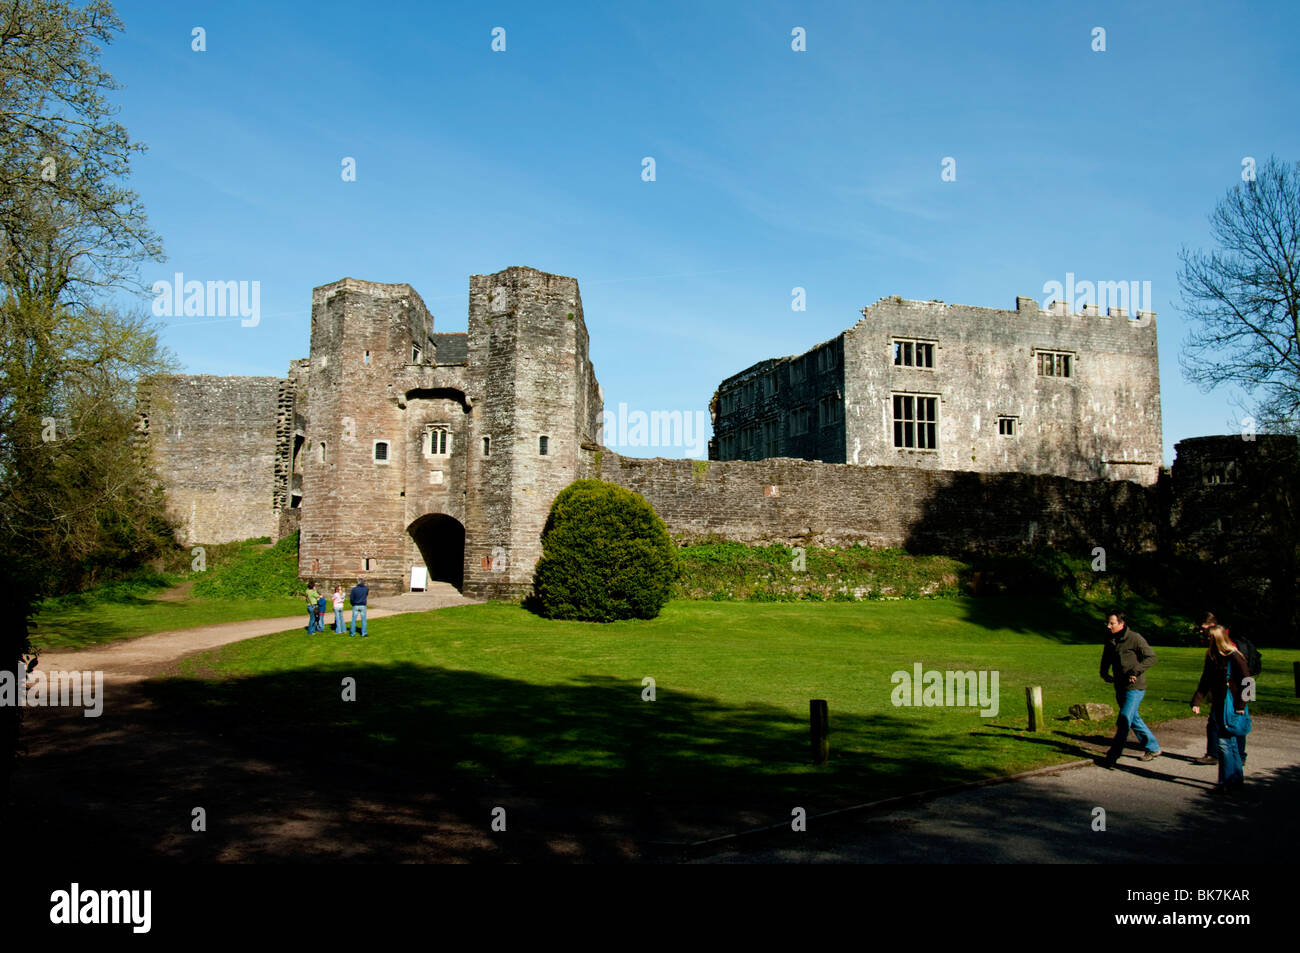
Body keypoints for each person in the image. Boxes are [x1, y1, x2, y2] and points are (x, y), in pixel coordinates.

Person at [1097, 609, 1160, 766]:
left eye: (1112, 623)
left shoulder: (1134, 638)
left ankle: (1113, 756)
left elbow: (1151, 657)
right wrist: (1104, 673)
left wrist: (1135, 671)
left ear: (1121, 623)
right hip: (1119, 685)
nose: (1108, 626)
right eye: (1108, 623)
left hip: (1135, 686)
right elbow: (1106, 657)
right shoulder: (1110, 638)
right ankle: (1153, 747)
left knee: (1124, 719)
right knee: (1133, 718)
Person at [1192, 624, 1250, 794]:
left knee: (1225, 744)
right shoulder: (1211, 657)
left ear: (1217, 638)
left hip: (1232, 705)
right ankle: (1235, 780)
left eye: (1209, 637)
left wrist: (1241, 705)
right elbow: (1205, 681)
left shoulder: (1234, 656)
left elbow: (1248, 682)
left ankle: (1226, 781)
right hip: (1219, 704)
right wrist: (1196, 701)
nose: (1206, 639)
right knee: (1228, 744)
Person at [1190, 611, 1229, 765]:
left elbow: (1246, 676)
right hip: (1220, 695)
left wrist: (1245, 701)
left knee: (1232, 725)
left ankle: (1235, 756)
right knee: (1214, 722)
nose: (1202, 634)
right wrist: (1197, 700)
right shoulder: (1212, 654)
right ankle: (1214, 754)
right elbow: (1206, 678)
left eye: (1204, 630)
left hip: (1233, 696)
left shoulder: (1232, 652)